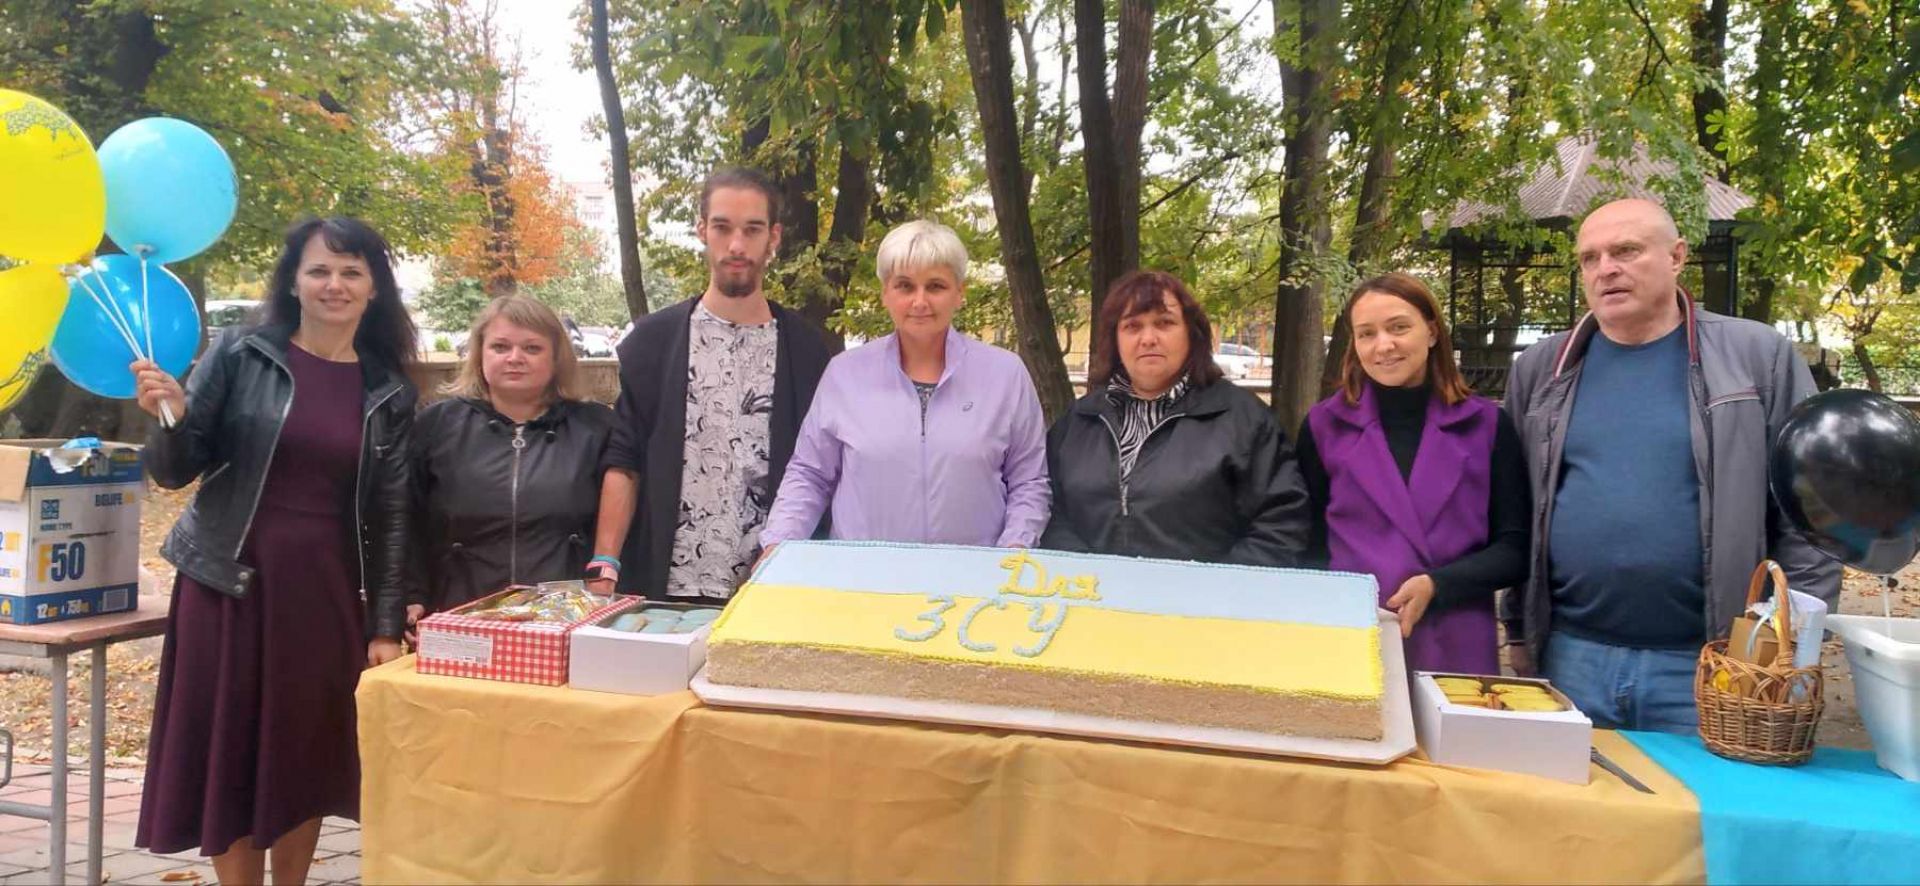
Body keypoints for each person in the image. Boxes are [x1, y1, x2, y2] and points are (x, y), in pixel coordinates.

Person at [129, 217, 417, 883]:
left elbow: (393, 514)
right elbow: (176, 470)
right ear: (293, 281)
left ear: (374, 287)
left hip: (324, 592)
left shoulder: (389, 389)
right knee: (230, 749)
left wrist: (385, 624)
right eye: (319, 270)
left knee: (301, 753)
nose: (334, 284)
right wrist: (169, 418)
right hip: (227, 584)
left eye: (351, 272)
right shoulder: (240, 352)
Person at [1503, 197, 1841, 732]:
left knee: (1702, 792)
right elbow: (1518, 509)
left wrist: (1793, 636)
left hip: (1714, 661)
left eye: (1626, 251)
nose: (1606, 269)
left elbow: (1813, 511)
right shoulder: (1543, 369)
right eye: (1590, 258)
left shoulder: (1757, 357)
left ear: (1677, 256)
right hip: (1571, 656)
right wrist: (1519, 629)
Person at [588, 167, 832, 599]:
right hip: (668, 591)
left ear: (773, 237)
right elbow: (624, 461)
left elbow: (822, 473)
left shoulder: (809, 352)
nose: (736, 245)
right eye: (722, 227)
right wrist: (605, 563)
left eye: (752, 229)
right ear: (702, 230)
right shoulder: (653, 344)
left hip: (772, 588)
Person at [760, 220, 1049, 549]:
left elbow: (1029, 482)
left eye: (936, 286)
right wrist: (777, 545)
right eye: (905, 286)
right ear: (885, 293)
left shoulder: (1005, 375)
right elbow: (809, 475)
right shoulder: (845, 375)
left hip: (974, 575)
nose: (920, 301)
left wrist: (1014, 551)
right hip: (864, 575)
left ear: (960, 292)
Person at [1298, 273, 1529, 674]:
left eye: (1399, 327)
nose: (1383, 345)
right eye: (1366, 334)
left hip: (1455, 637)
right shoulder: (1323, 427)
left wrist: (1439, 584)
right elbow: (1307, 547)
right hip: (1354, 640)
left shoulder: (1487, 426)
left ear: (1433, 332)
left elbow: (1516, 549)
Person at [1042, 270, 1309, 564]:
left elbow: (1280, 524)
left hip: (1207, 592)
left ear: (1192, 334)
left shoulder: (1243, 420)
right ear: (1115, 340)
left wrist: (1217, 585)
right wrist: (1087, 574)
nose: (1148, 338)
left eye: (1164, 323)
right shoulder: (1080, 420)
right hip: (1091, 589)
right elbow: (1050, 508)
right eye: (1132, 326)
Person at [407, 295, 617, 620]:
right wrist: (412, 593)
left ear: (556, 358)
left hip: (567, 615)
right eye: (500, 347)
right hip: (461, 610)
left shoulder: (596, 427)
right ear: (479, 354)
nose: (515, 358)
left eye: (532, 348)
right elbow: (407, 520)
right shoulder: (437, 426)